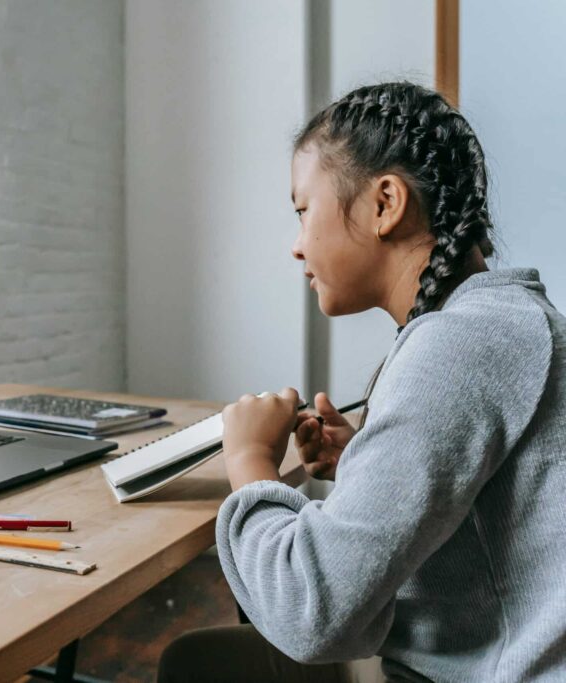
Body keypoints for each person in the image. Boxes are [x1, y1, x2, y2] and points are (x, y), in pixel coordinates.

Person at [159, 82, 566, 681]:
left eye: (303, 211)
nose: (297, 247)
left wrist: (250, 462)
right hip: (483, 650)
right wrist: (369, 462)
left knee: (197, 667)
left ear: (385, 203)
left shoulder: (457, 348)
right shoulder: (501, 322)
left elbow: (310, 614)